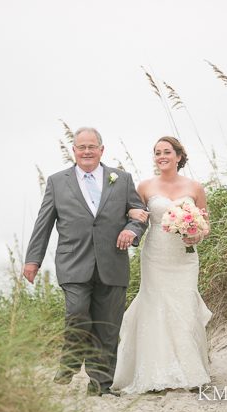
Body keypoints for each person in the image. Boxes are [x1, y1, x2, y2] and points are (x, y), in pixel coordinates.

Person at [22, 127, 147, 397]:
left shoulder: (121, 179)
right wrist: (33, 259)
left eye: (92, 146)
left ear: (102, 150)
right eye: (81, 147)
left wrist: (132, 231)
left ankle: (100, 385)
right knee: (77, 311)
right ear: (74, 150)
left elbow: (139, 214)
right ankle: (69, 362)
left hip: (112, 263)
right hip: (73, 262)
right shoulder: (57, 181)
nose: (87, 151)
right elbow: (43, 224)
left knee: (108, 326)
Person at [111, 136, 212, 394]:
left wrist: (196, 235)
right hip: (155, 254)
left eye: (167, 152)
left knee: (184, 307)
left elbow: (205, 225)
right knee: (155, 307)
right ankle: (156, 371)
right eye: (157, 153)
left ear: (178, 156)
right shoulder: (144, 187)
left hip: (184, 256)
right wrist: (133, 214)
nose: (161, 156)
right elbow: (134, 214)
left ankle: (191, 371)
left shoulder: (195, 187)